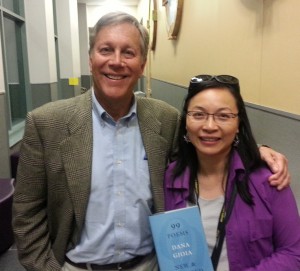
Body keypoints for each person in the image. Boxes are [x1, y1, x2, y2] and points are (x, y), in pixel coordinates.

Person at [12, 12, 289, 271]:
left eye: (128, 52)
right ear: (90, 59)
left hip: (151, 264)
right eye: (106, 49)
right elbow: (27, 212)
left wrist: (257, 150)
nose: (116, 61)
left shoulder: (165, 120)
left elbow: (206, 144)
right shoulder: (47, 123)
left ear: (142, 65)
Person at [164, 74, 300, 271]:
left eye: (224, 116)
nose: (210, 126)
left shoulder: (268, 180)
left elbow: (294, 253)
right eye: (199, 114)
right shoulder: (169, 178)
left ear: (238, 125)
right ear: (186, 122)